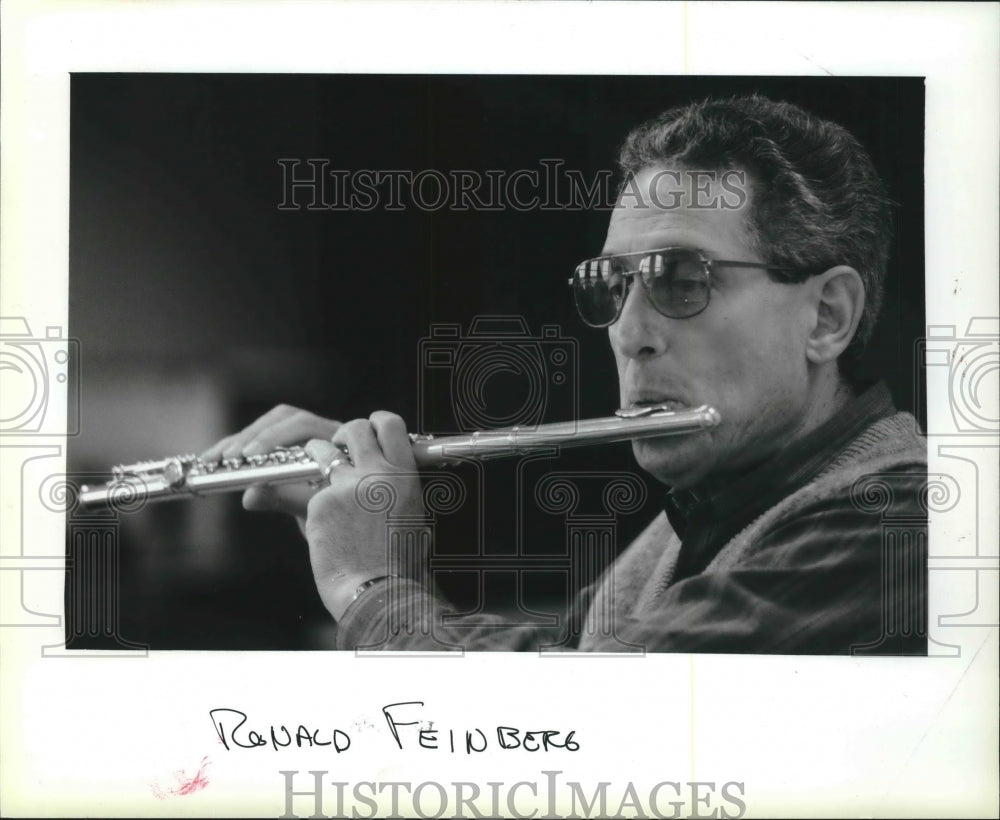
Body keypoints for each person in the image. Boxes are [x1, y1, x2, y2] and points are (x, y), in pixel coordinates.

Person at [203, 95, 927, 654]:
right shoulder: (710, 509)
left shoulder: (900, 521)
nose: (628, 331)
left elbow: (567, 731)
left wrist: (366, 585)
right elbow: (553, 667)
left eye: (679, 278)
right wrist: (395, 556)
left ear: (827, 316)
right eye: (612, 284)